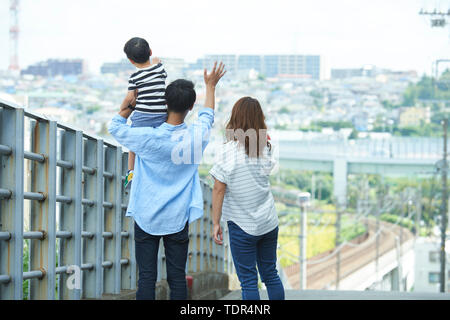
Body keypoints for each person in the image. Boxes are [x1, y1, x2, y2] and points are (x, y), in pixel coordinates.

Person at [108, 62, 226, 300]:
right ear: (190, 106)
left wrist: (129, 105)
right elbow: (208, 115)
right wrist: (210, 86)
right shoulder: (196, 137)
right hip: (177, 216)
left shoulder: (146, 138)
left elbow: (115, 126)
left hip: (145, 214)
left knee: (147, 278)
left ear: (165, 103)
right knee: (176, 277)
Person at [210, 96, 285, 300]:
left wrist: (216, 222)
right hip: (268, 222)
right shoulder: (265, 148)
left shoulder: (228, 151)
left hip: (242, 224)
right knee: (270, 274)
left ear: (235, 119)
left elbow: (218, 188)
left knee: (249, 281)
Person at [122, 37, 168, 188]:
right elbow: (157, 64)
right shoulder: (159, 69)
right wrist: (155, 62)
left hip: (142, 116)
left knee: (134, 145)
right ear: (150, 51)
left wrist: (122, 109)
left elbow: (130, 97)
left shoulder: (134, 77)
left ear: (130, 60)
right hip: (161, 115)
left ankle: (131, 172)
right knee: (159, 143)